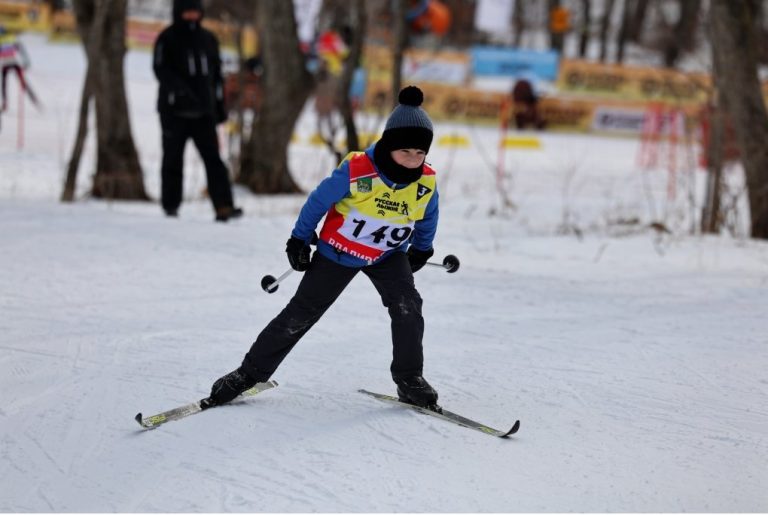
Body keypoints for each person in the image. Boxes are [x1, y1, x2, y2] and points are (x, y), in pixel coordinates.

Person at [206, 86, 441, 409]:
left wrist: (422, 248)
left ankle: (409, 378)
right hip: (339, 253)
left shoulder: (425, 182)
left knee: (408, 307)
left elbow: (428, 215)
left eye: (419, 153)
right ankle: (248, 374)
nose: (413, 160)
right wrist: (299, 239)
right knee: (301, 314)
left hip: (387, 255)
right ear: (389, 145)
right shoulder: (358, 171)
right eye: (405, 152)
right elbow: (317, 202)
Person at [152, 0, 242, 222]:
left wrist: (219, 107)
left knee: (214, 160)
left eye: (195, 12)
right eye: (187, 12)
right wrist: (181, 92)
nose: (192, 16)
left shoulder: (208, 40)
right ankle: (170, 206)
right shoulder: (167, 38)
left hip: (204, 114)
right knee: (172, 159)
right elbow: (161, 70)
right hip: (174, 112)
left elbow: (216, 76)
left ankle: (224, 206)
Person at [0, 25, 31, 113]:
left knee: (4, 85)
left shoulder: (9, 38)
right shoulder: (12, 37)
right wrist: (26, 61)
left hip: (8, 63)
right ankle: (25, 88)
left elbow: (20, 49)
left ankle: (5, 103)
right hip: (13, 63)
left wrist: (25, 61)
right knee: (15, 80)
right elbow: (22, 50)